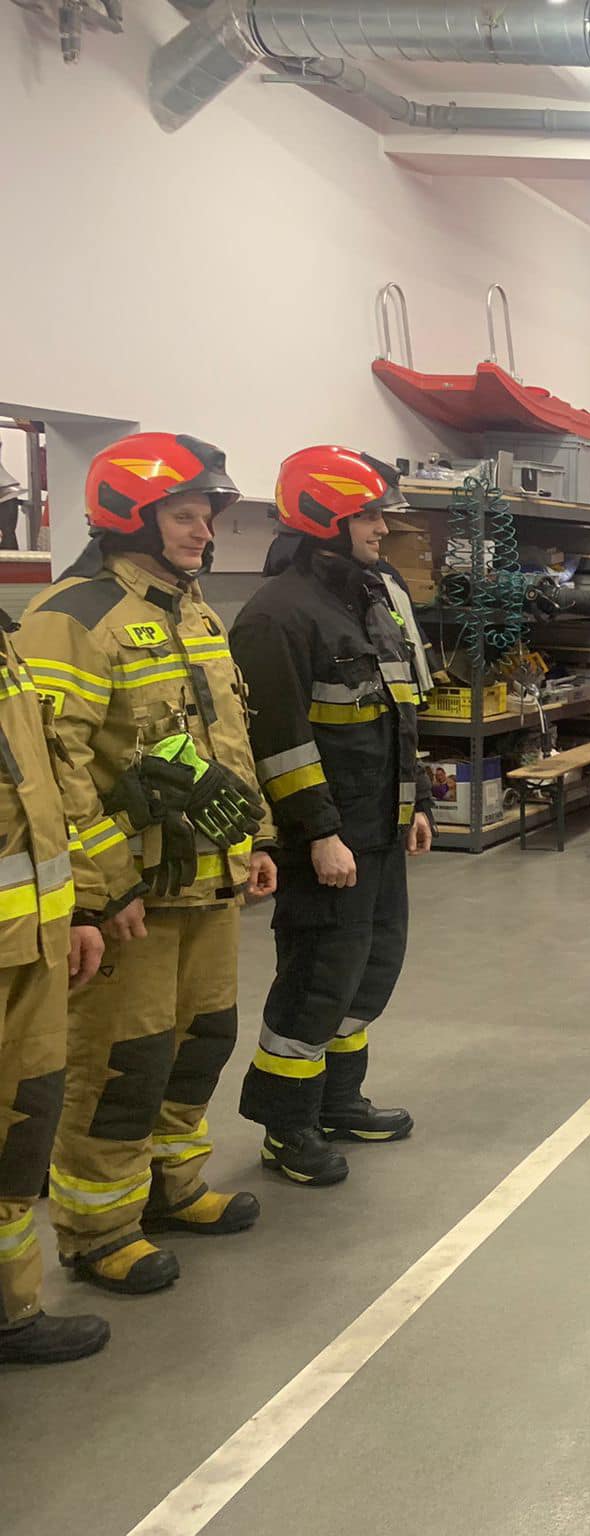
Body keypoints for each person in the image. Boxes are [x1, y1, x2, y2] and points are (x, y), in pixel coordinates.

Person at [18, 432, 275, 1296]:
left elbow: (227, 738)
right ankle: (99, 1230)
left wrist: (255, 839)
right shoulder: (72, 617)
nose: (205, 533)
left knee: (200, 1043)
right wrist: (100, 891)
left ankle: (172, 1188)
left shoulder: (194, 611)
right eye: (186, 516)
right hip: (135, 899)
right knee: (121, 1063)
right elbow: (56, 766)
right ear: (131, 515)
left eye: (207, 517)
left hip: (207, 883)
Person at [229, 447, 435, 1188]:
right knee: (317, 980)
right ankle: (287, 1128)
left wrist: (416, 801)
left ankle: (339, 1101)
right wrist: (318, 833)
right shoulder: (276, 615)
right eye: (369, 516)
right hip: (327, 840)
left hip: (378, 829)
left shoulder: (369, 598)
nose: (382, 529)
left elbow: (396, 713)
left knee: (367, 973)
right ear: (325, 518)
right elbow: (279, 744)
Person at [0, 611, 112, 1364]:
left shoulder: (5, 645)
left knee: (22, 1125)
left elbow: (41, 793)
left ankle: (11, 1310)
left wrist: (77, 908)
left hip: (31, 939)